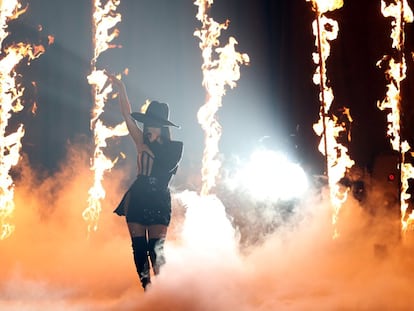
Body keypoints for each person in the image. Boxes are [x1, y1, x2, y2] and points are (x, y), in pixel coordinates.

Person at [106, 72, 183, 291]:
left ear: (162, 128)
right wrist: (121, 88)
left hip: (158, 198)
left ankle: (164, 292)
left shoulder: (173, 149)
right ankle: (148, 292)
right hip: (138, 196)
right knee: (139, 249)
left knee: (155, 249)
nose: (148, 128)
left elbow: (167, 168)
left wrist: (152, 149)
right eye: (147, 124)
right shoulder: (139, 140)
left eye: (153, 125)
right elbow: (126, 115)